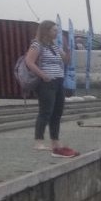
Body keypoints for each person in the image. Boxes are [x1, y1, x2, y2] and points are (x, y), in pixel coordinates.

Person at [24, 20, 73, 157]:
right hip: (46, 83)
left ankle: (55, 141)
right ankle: (38, 142)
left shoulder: (54, 46)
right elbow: (29, 61)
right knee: (46, 112)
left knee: (57, 112)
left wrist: (68, 50)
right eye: (54, 30)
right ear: (46, 31)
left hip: (58, 81)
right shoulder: (37, 44)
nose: (56, 33)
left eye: (56, 30)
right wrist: (43, 75)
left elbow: (66, 60)